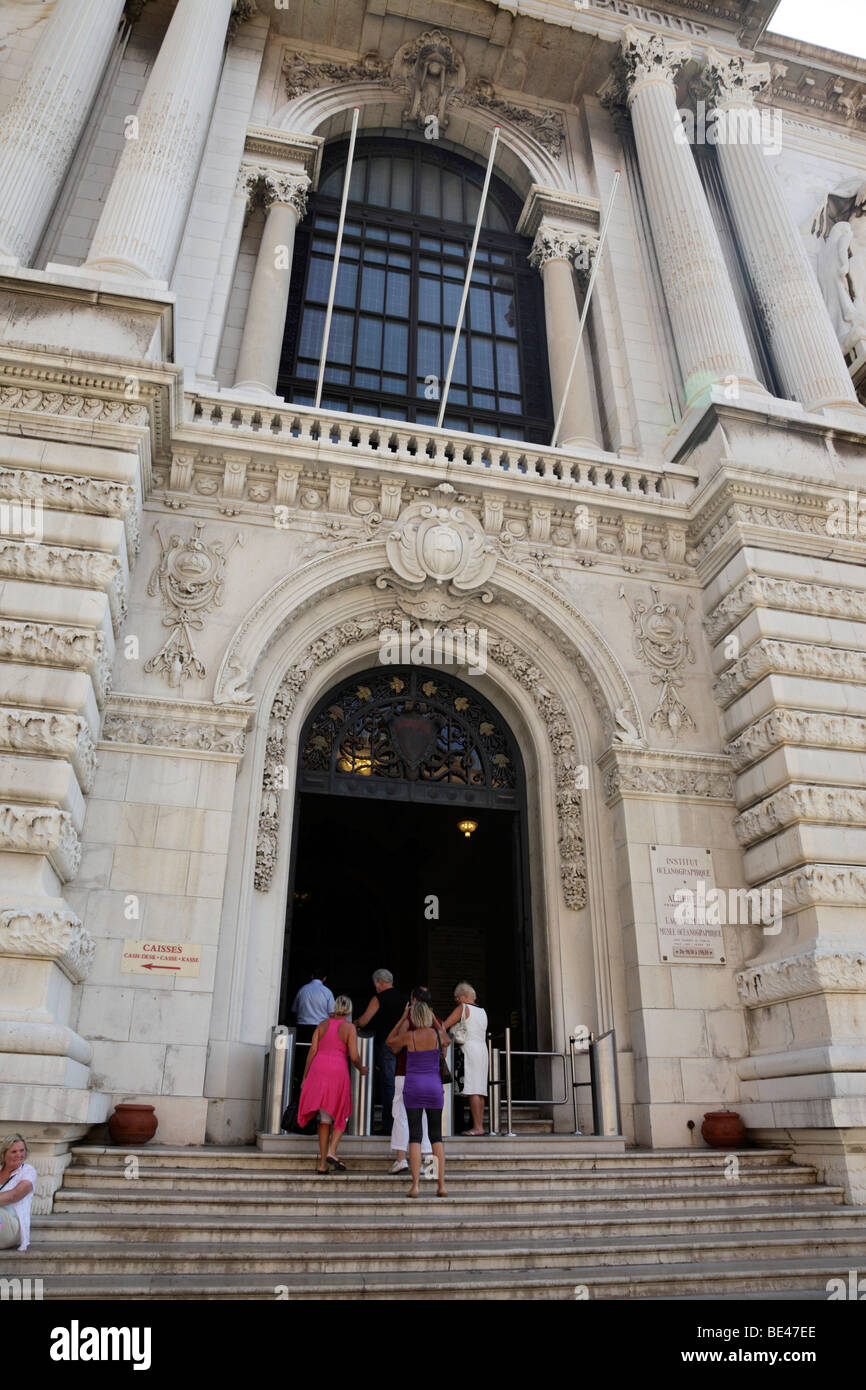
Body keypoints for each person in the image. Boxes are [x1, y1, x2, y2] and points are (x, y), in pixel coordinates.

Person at [297, 996, 368, 1174]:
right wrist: (361, 1068)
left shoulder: (321, 1025)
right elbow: (353, 1055)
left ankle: (322, 1164)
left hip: (318, 1070)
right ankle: (332, 1151)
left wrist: (305, 1076)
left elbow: (312, 1050)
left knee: (325, 1118)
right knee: (342, 1113)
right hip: (337, 1072)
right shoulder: (349, 1027)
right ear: (350, 1011)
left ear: (334, 1008)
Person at [387, 1002, 448, 1198]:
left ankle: (415, 1186)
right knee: (436, 1136)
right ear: (429, 1017)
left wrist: (402, 1018)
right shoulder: (438, 1036)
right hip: (434, 1087)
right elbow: (447, 1039)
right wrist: (437, 1023)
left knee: (415, 1136)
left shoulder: (410, 1036)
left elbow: (390, 1041)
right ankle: (441, 1185)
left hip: (413, 1087)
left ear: (413, 1018)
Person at [355, 968, 408, 1135]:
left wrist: (354, 1023)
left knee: (389, 1084)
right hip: (404, 1044)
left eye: (375, 984)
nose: (375, 987)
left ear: (379, 982)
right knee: (402, 1082)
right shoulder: (405, 998)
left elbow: (364, 1021)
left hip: (386, 1044)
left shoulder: (378, 998)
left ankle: (389, 1124)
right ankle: (402, 1122)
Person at [444, 982, 489, 1135]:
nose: (456, 1001)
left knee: (472, 1089)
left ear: (463, 996)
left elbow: (445, 1025)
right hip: (482, 1050)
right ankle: (479, 1125)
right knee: (480, 1089)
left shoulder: (463, 1008)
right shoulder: (482, 1011)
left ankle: (477, 1127)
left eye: (457, 998)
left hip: (469, 1049)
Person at [0, 1133, 37, 1251]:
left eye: (22, 1150)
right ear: (4, 1154)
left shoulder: (27, 1171)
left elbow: (14, 1195)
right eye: (14, 1152)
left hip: (12, 1228)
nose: (19, 1155)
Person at [290, 970, 336, 1043]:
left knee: (303, 1051)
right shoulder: (327, 992)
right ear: (324, 978)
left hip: (302, 1028)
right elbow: (332, 1014)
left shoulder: (302, 990)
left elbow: (294, 1011)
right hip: (321, 1028)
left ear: (312, 976)